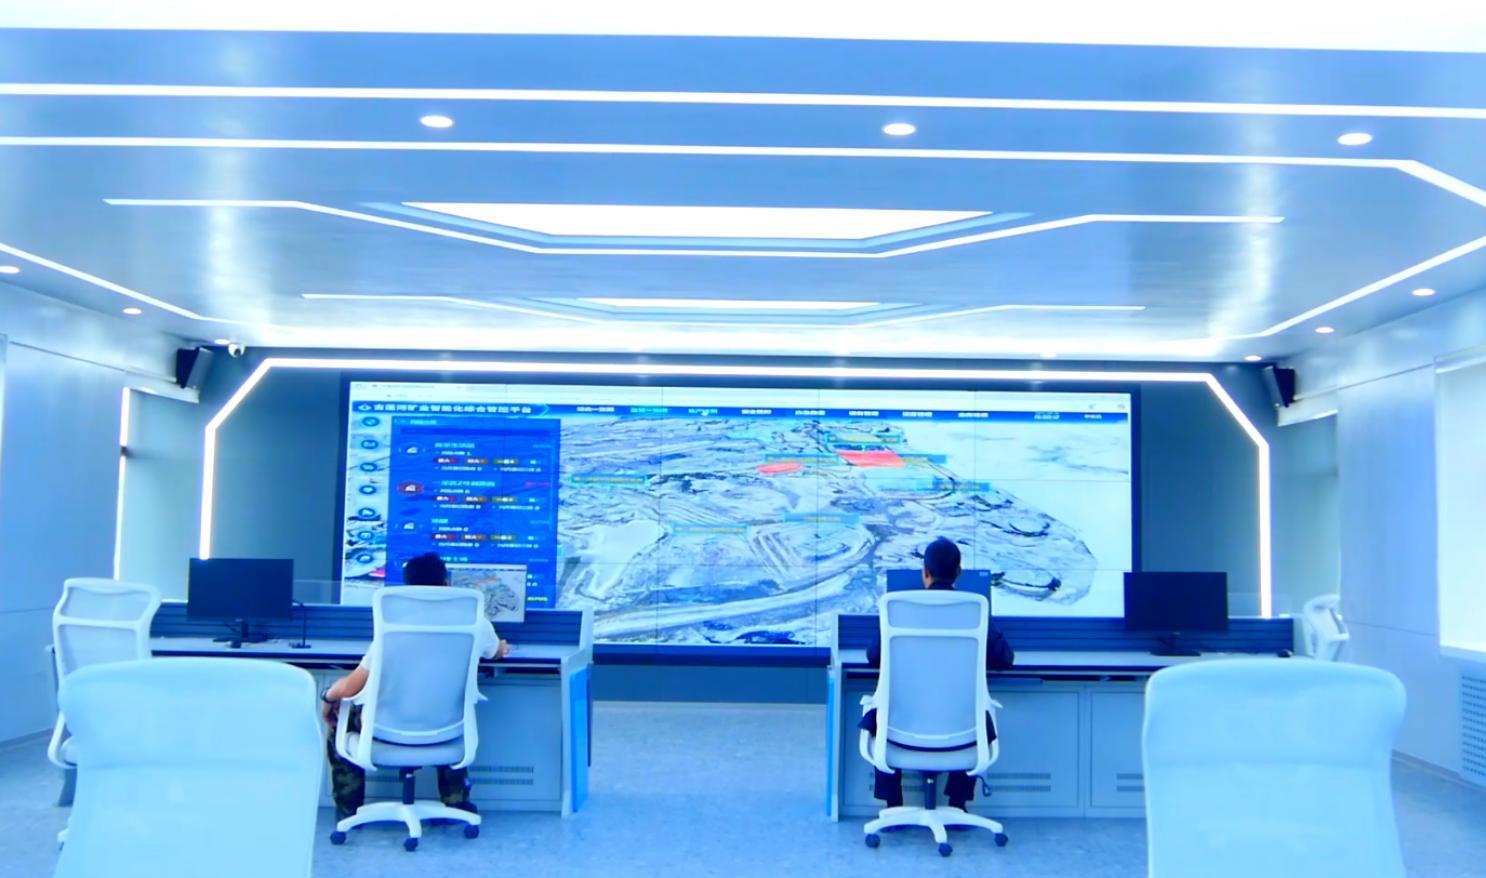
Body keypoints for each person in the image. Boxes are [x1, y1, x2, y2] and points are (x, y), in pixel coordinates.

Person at [320, 552, 511, 822]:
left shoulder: (392, 627)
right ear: (445, 584)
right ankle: (456, 802)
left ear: (407, 587)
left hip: (386, 727)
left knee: (342, 720)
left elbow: (350, 688)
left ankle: (348, 811)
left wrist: (328, 697)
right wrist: (500, 646)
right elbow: (495, 652)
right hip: (446, 726)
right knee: (452, 705)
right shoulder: (473, 622)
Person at [862, 537, 1015, 812]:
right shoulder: (973, 610)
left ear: (925, 572)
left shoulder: (899, 609)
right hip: (961, 736)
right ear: (959, 572)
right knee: (973, 710)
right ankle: (958, 804)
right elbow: (1005, 658)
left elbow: (873, 656)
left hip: (901, 733)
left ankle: (893, 804)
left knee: (883, 707)